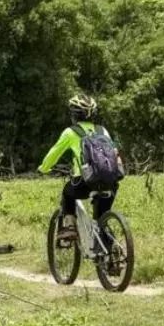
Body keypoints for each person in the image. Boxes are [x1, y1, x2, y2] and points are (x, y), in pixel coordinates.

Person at [37, 94, 122, 242]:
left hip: (85, 181)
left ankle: (70, 227)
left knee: (67, 192)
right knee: (101, 220)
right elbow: (114, 152)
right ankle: (111, 253)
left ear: (73, 114)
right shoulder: (103, 130)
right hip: (110, 181)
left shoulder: (71, 132)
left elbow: (53, 154)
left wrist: (43, 169)